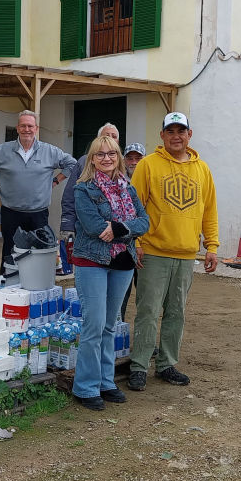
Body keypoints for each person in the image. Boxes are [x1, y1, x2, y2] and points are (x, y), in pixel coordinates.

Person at [127, 112, 219, 392]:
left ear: (189, 134)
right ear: (162, 135)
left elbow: (209, 210)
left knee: (176, 312)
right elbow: (133, 207)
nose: (176, 136)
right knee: (148, 311)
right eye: (171, 131)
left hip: (186, 254)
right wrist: (136, 243)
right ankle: (139, 366)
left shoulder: (202, 169)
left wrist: (212, 245)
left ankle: (166, 364)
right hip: (153, 253)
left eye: (181, 131)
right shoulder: (148, 166)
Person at [71, 136, 149, 411]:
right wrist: (126, 228)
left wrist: (117, 228)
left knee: (109, 325)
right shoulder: (84, 189)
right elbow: (93, 226)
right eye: (100, 154)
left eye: (112, 154)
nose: (106, 158)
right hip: (91, 260)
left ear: (118, 157)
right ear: (92, 159)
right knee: (93, 325)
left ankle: (106, 381)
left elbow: (145, 221)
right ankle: (85, 387)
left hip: (122, 262)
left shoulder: (129, 189)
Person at [0, 110, 76, 273]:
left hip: (39, 213)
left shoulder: (49, 151)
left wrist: (56, 181)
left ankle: (37, 285)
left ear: (36, 128)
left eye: (30, 126)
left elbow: (72, 164)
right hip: (11, 212)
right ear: (17, 128)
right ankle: (9, 285)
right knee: (10, 252)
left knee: (40, 251)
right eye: (23, 126)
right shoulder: (3, 151)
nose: (26, 129)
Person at [60, 123, 120, 236]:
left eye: (114, 136)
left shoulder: (123, 164)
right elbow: (69, 197)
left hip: (118, 237)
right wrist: (67, 225)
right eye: (106, 136)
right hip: (87, 233)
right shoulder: (83, 162)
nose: (110, 139)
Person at [120, 143, 146, 321]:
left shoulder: (153, 180)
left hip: (147, 248)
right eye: (130, 158)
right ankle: (116, 337)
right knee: (120, 295)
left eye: (138, 158)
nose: (134, 162)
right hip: (123, 246)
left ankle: (144, 339)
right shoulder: (117, 182)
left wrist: (141, 243)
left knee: (146, 298)